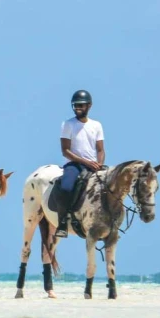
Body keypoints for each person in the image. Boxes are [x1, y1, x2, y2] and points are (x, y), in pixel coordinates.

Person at [56, 90, 105, 238]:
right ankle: (63, 222)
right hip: (74, 164)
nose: (78, 108)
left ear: (89, 106)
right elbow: (65, 151)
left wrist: (99, 164)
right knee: (65, 187)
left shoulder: (96, 125)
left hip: (94, 166)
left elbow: (101, 150)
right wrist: (86, 162)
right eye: (75, 105)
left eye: (81, 105)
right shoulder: (68, 124)